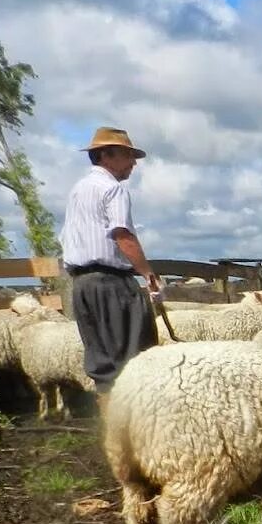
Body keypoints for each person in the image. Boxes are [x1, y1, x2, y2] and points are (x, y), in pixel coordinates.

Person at [61, 127, 161, 394]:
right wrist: (149, 276)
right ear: (106, 155)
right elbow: (122, 235)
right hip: (110, 284)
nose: (133, 163)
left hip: (82, 285)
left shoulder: (78, 190)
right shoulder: (112, 189)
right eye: (128, 155)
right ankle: (135, 426)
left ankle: (110, 428)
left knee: (102, 361)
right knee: (133, 358)